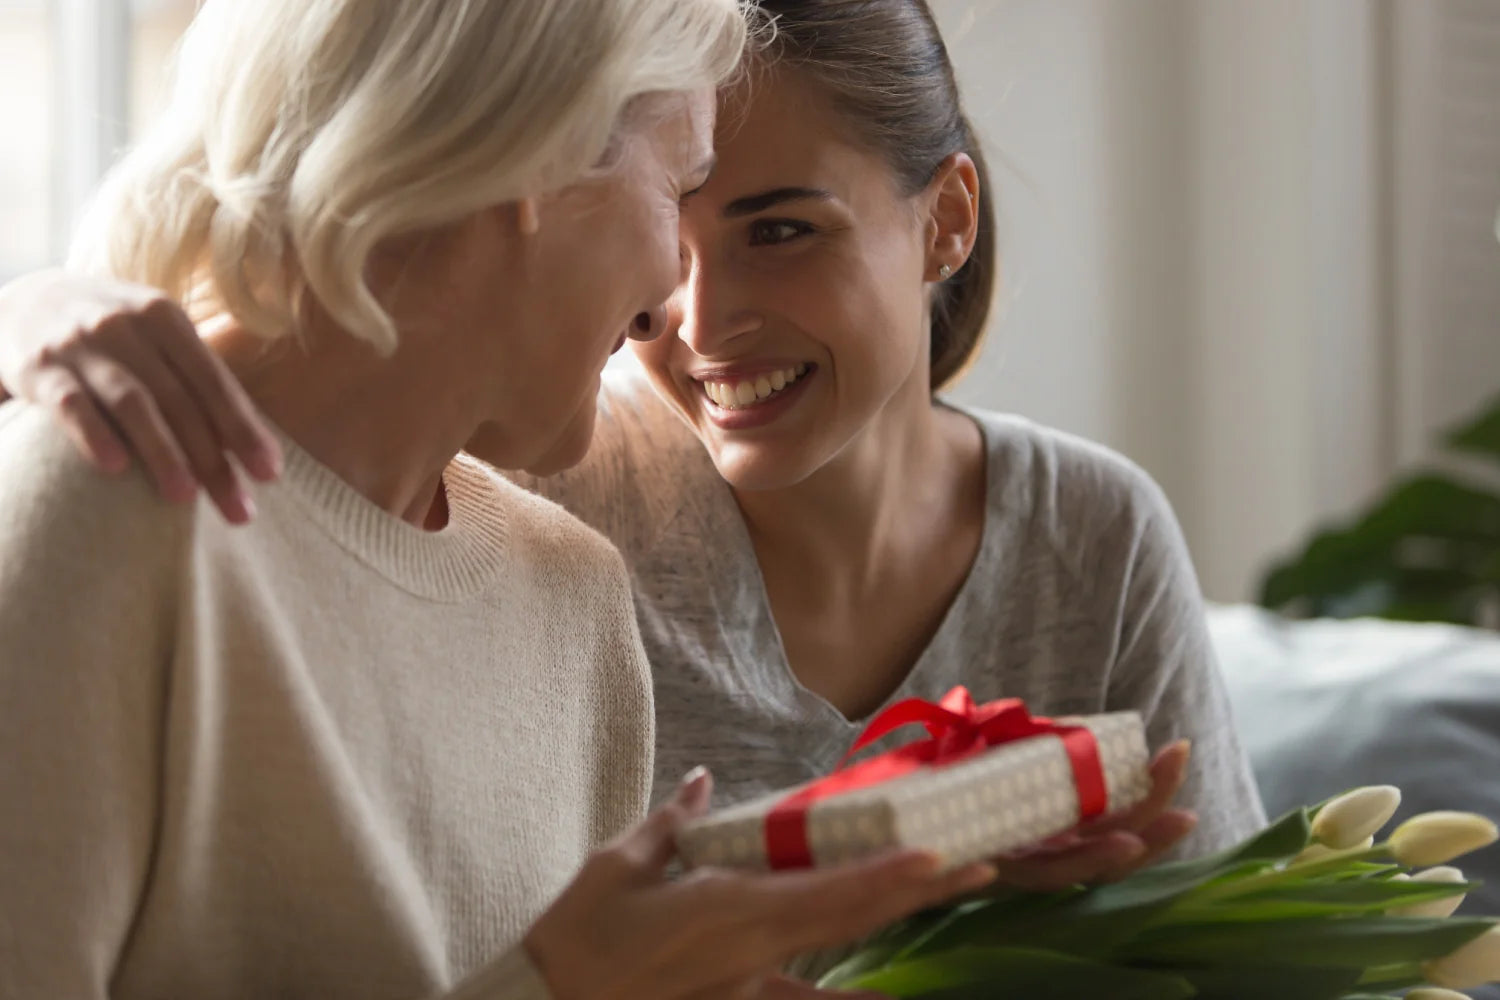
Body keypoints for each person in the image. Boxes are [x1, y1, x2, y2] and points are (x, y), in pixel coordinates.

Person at [2, 0, 1255, 903]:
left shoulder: (1094, 535)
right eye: (682, 206)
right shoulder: (532, 492)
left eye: (779, 231)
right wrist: (36, 311)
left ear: (948, 224)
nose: (692, 318)